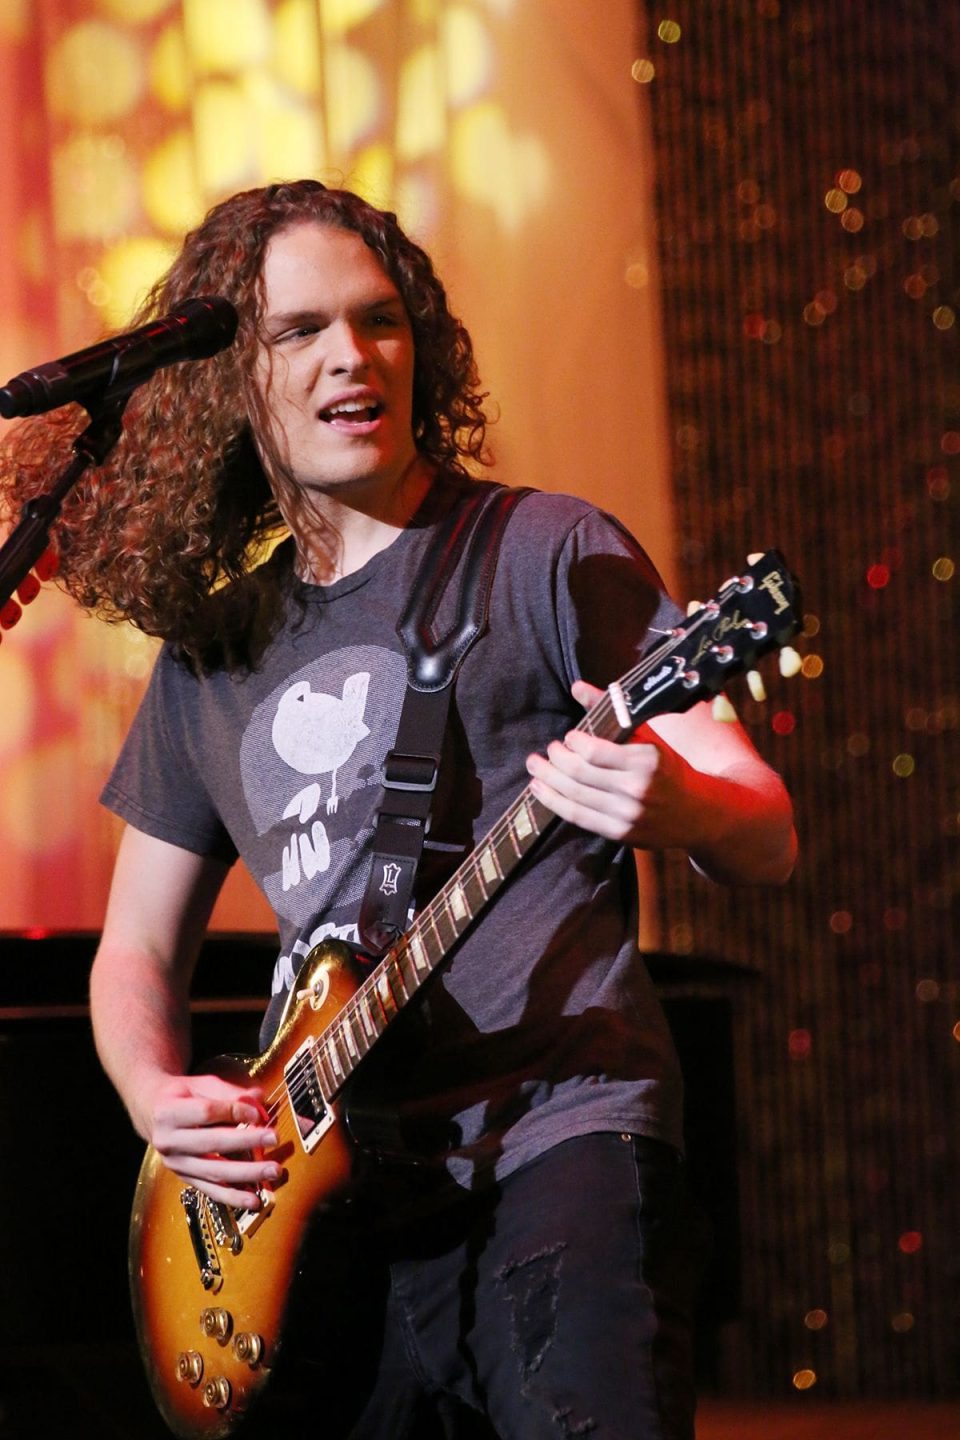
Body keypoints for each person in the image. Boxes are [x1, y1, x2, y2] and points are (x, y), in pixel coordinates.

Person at [2, 180, 796, 1438]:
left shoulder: (546, 550)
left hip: (562, 1139)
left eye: (379, 320)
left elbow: (764, 825)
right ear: (232, 383)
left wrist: (680, 801)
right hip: (327, 1215)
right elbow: (136, 952)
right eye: (301, 330)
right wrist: (155, 1095)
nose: (352, 355)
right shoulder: (214, 651)